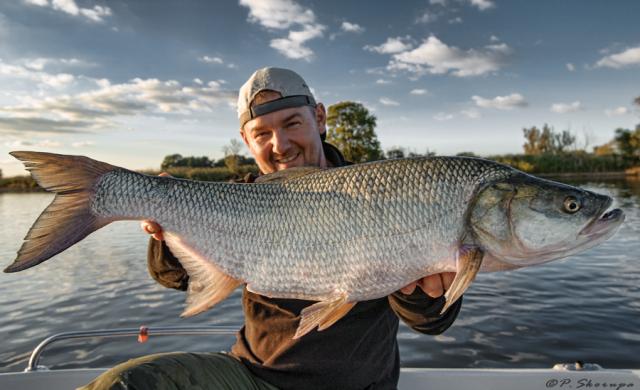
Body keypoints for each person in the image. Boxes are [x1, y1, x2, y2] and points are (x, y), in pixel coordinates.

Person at [82, 67, 462, 390]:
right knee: (124, 383)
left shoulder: (385, 194)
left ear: (320, 118)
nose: (280, 145)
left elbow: (431, 321)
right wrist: (165, 227)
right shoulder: (237, 197)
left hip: (361, 385)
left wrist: (424, 292)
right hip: (254, 378)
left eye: (292, 123)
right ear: (247, 140)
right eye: (261, 133)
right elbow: (172, 277)